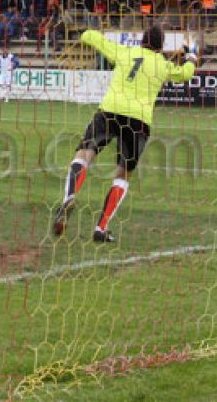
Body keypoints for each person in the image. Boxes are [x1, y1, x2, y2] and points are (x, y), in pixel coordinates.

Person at [53, 24, 198, 243]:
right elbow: (185, 74)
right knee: (123, 174)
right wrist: (191, 57)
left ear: (141, 40)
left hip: (110, 111)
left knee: (84, 155)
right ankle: (101, 228)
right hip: (138, 121)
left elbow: (93, 38)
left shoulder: (124, 52)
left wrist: (84, 31)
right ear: (160, 46)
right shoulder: (162, 65)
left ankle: (70, 196)